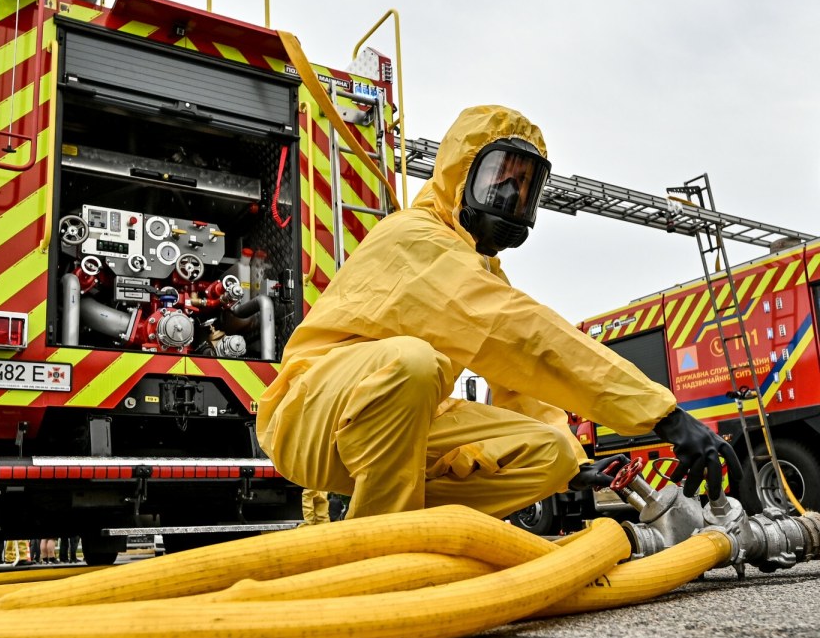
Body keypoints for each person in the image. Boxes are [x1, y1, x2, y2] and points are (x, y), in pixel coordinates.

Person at [256, 104, 741, 521]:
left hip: (405, 425)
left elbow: (518, 374)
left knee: (548, 458)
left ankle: (430, 530)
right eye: (499, 181)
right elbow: (520, 331)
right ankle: (378, 552)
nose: (511, 198)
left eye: (525, 187)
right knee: (411, 362)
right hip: (309, 414)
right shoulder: (415, 238)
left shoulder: (480, 268)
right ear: (459, 176)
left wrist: (573, 463)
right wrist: (665, 416)